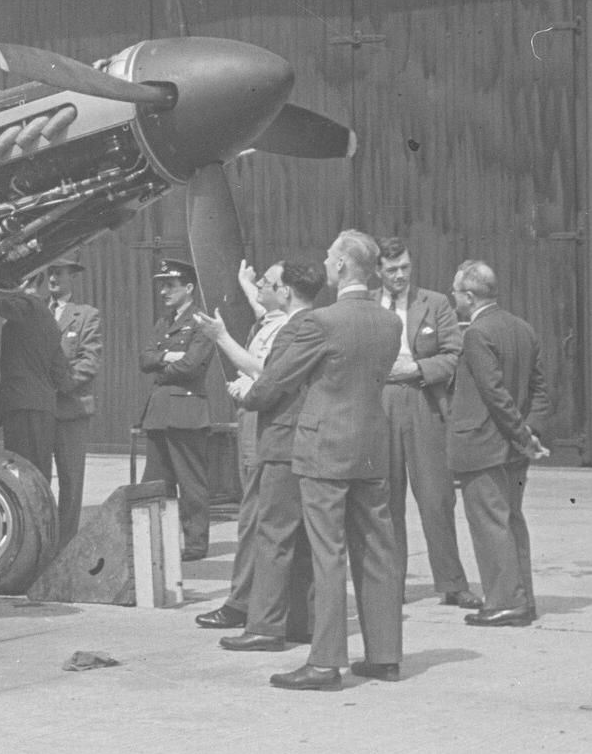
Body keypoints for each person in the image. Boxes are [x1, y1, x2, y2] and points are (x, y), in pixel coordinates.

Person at [256, 231, 405, 691]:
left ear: (341, 266)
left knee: (328, 552)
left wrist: (250, 398)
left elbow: (277, 380)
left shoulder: (320, 322)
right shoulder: (389, 322)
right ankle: (383, 656)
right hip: (371, 448)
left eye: (329, 256)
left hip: (324, 450)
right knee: (378, 549)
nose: (324, 260)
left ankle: (324, 662)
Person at [196, 259, 326, 646]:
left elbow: (266, 372)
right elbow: (264, 307)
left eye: (268, 284)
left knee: (258, 516)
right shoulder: (279, 317)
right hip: (261, 419)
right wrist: (243, 282)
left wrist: (221, 337)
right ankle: (259, 604)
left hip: (267, 419)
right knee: (259, 513)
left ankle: (247, 606)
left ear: (285, 291)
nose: (262, 288)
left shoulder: (292, 326)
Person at [444, 261, 550, 629]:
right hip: (515, 448)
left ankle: (506, 602)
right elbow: (538, 389)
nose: (453, 298)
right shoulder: (523, 328)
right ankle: (523, 598)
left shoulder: (477, 333)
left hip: (484, 445)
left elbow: (493, 393)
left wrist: (523, 435)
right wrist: (530, 433)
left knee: (491, 523)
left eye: (456, 293)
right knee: (512, 521)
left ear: (470, 296)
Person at [376, 238, 478, 608]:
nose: (400, 275)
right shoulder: (367, 304)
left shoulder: (435, 303)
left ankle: (452, 582)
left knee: (436, 497)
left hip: (422, 399)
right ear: (378, 272)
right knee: (385, 501)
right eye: (392, 270)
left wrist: (418, 367)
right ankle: (390, 584)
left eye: (405, 267)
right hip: (379, 403)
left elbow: (454, 354)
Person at [137, 260, 220, 562]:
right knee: (156, 483)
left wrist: (163, 364)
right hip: (159, 412)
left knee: (191, 482)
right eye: (162, 285)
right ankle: (160, 539)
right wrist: (168, 356)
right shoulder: (164, 322)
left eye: (170, 285)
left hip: (186, 411)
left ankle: (195, 543)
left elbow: (192, 365)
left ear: (188, 288)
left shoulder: (202, 323)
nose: (163, 291)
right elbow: (144, 359)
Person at [0, 275, 73, 511]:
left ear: (25, 282)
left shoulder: (28, 305)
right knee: (38, 475)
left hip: (23, 406)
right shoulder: (48, 318)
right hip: (41, 407)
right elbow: (61, 374)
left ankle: (30, 531)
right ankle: (43, 531)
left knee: (22, 475)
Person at [44, 257, 101, 545]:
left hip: (70, 410)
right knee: (38, 479)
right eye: (50, 272)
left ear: (72, 277)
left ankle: (65, 543)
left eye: (59, 273)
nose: (53, 278)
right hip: (40, 410)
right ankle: (40, 540)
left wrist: (60, 385)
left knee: (70, 480)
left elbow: (89, 361)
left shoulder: (86, 315)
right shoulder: (36, 311)